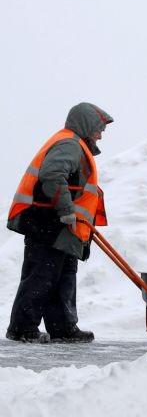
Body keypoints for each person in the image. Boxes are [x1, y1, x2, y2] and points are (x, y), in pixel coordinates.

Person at [6, 103, 112, 343]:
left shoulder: (75, 145)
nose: (101, 133)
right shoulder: (69, 145)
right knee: (41, 277)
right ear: (86, 124)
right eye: (99, 128)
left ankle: (63, 328)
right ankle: (22, 329)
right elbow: (52, 175)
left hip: (62, 227)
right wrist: (66, 211)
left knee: (63, 277)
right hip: (49, 223)